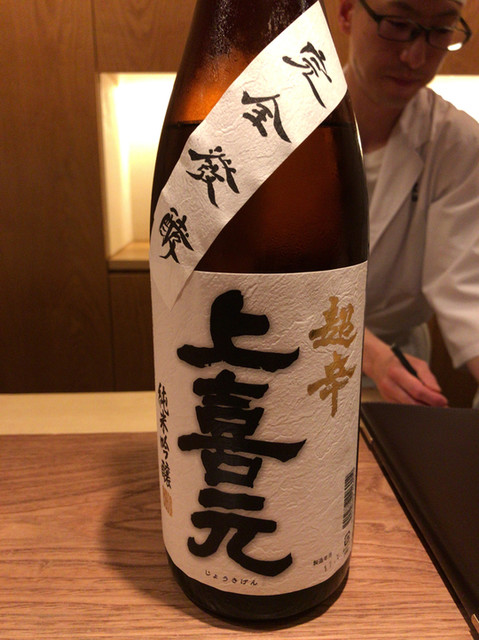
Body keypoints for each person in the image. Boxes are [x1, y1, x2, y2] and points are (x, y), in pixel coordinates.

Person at [337, 0, 479, 408]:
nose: (415, 57)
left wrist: (380, 360)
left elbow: (465, 288)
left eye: (440, 31)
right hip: (279, 351)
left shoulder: (456, 142)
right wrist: (371, 354)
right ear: (347, 13)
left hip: (396, 373)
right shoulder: (283, 124)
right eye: (398, 25)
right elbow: (268, 277)